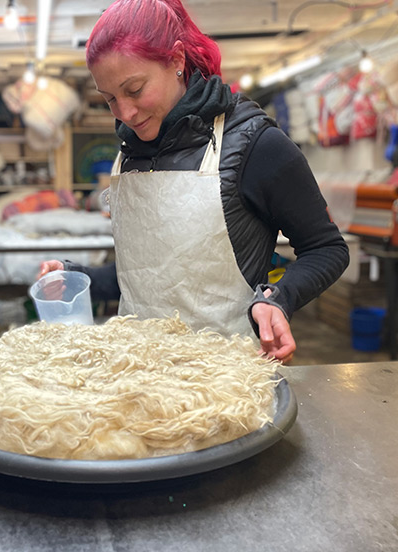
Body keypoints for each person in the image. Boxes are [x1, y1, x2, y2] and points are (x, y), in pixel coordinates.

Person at [38, 0, 349, 364]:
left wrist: (279, 298)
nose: (125, 113)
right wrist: (78, 277)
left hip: (228, 375)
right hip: (137, 372)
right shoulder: (130, 154)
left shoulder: (255, 145)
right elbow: (147, 278)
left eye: (134, 90)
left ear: (176, 60)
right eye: (110, 99)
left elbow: (327, 248)